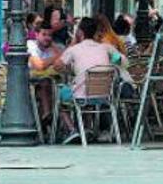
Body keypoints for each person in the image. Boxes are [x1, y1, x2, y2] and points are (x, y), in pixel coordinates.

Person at [54, 15, 128, 144]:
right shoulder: (106, 48)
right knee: (83, 89)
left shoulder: (73, 50)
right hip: (105, 95)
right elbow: (123, 61)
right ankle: (87, 129)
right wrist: (110, 61)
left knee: (60, 94)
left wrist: (72, 46)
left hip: (81, 95)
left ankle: (72, 129)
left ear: (80, 32)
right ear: (95, 32)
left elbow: (57, 66)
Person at [27, 21, 64, 125]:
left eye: (50, 35)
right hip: (27, 86)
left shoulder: (50, 48)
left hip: (45, 86)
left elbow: (62, 65)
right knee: (45, 83)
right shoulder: (30, 45)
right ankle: (48, 116)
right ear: (36, 35)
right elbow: (39, 66)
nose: (48, 38)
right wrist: (57, 57)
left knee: (51, 85)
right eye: (44, 34)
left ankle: (48, 119)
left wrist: (54, 48)